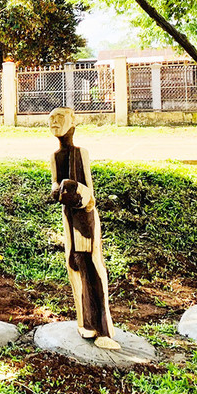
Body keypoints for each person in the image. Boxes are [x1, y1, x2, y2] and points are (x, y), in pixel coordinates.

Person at [49, 107, 119, 350]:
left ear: (72, 121)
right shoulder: (56, 156)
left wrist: (76, 193)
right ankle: (86, 323)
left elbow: (89, 193)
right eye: (51, 119)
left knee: (91, 266)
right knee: (75, 264)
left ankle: (103, 328)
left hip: (85, 219)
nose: (54, 122)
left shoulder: (81, 153)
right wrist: (58, 190)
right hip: (69, 219)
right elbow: (55, 184)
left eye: (59, 118)